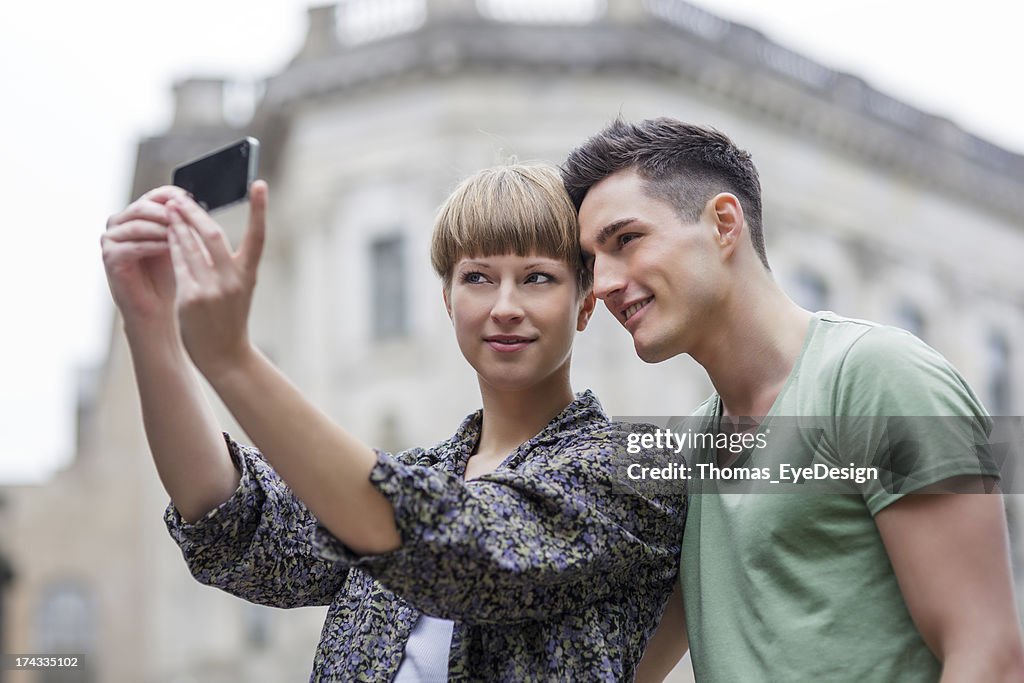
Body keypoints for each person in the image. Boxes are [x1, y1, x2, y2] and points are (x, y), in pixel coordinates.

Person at [101, 162, 684, 681]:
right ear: (447, 300)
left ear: (584, 304)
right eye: (477, 277)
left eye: (537, 277)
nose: (505, 306)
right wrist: (151, 330)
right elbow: (235, 521)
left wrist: (233, 361)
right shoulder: (420, 472)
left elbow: (457, 546)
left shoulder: (640, 465)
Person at [562, 117, 1024, 682]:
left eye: (626, 240)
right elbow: (614, 669)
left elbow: (990, 658)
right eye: (591, 262)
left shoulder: (879, 377)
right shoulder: (683, 451)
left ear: (724, 224)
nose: (604, 281)